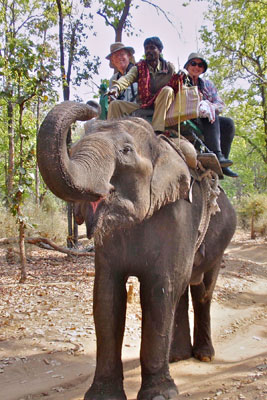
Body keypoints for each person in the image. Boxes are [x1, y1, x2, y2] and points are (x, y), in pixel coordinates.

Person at [183, 52, 238, 177]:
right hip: (188, 116)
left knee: (228, 123)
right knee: (211, 118)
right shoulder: (181, 80)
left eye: (200, 65)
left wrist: (210, 106)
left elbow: (220, 103)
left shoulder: (208, 85)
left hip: (207, 117)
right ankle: (216, 154)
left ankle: (222, 161)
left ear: (203, 69)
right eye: (193, 64)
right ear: (187, 66)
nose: (196, 67)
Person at [107, 36, 176, 134]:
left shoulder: (168, 67)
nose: (148, 51)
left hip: (161, 105)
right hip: (143, 105)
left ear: (160, 50)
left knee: (167, 90)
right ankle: (113, 135)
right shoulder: (139, 67)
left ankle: (156, 131)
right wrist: (116, 87)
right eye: (146, 48)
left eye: (152, 48)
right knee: (115, 104)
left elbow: (177, 82)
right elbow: (127, 78)